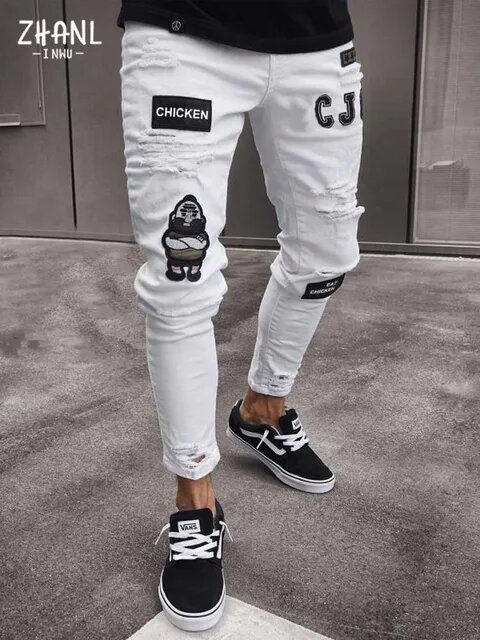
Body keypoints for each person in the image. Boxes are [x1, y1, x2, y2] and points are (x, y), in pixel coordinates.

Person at [118, 0, 364, 631]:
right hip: (184, 33)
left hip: (315, 39)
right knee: (181, 277)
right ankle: (195, 502)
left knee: (326, 254)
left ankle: (262, 409)